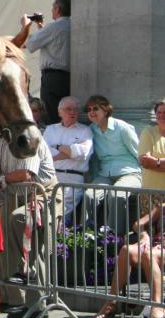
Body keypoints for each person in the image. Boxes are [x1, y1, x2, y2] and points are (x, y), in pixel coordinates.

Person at [0, 136, 58, 318]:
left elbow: (26, 173)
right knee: (2, 244)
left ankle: (37, 306)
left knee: (25, 230)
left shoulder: (30, 138)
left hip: (41, 195)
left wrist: (2, 179)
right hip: (14, 195)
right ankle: (17, 303)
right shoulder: (4, 142)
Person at [94, 203, 165, 318]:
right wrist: (144, 235)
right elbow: (138, 224)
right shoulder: (162, 208)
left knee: (148, 254)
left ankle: (157, 306)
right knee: (126, 250)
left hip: (160, 250)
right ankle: (111, 303)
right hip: (154, 248)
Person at [85, 94, 141, 233]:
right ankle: (84, 234)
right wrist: (94, 177)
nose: (91, 112)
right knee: (89, 195)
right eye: (89, 109)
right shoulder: (91, 130)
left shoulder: (121, 127)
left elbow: (138, 153)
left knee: (116, 195)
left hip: (129, 173)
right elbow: (94, 159)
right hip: (104, 174)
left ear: (105, 110)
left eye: (95, 108)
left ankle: (114, 236)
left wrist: (143, 177)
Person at [19, 0, 71, 121]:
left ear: (58, 9)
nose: (51, 10)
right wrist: (41, 26)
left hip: (52, 78)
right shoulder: (71, 26)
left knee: (50, 114)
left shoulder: (53, 28)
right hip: (68, 78)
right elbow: (52, 42)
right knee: (64, 113)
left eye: (53, 7)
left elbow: (29, 43)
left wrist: (25, 26)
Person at [43, 96, 93, 220]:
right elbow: (45, 154)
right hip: (51, 176)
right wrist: (70, 152)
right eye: (68, 109)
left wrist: (57, 146)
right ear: (60, 112)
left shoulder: (85, 131)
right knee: (44, 212)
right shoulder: (50, 130)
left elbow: (82, 153)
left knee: (61, 215)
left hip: (73, 178)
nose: (72, 112)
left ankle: (58, 238)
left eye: (75, 109)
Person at [137, 98, 165, 217]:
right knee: (151, 230)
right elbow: (145, 162)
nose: (161, 115)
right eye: (158, 112)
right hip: (152, 194)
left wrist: (157, 162)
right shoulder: (148, 132)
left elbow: (151, 162)